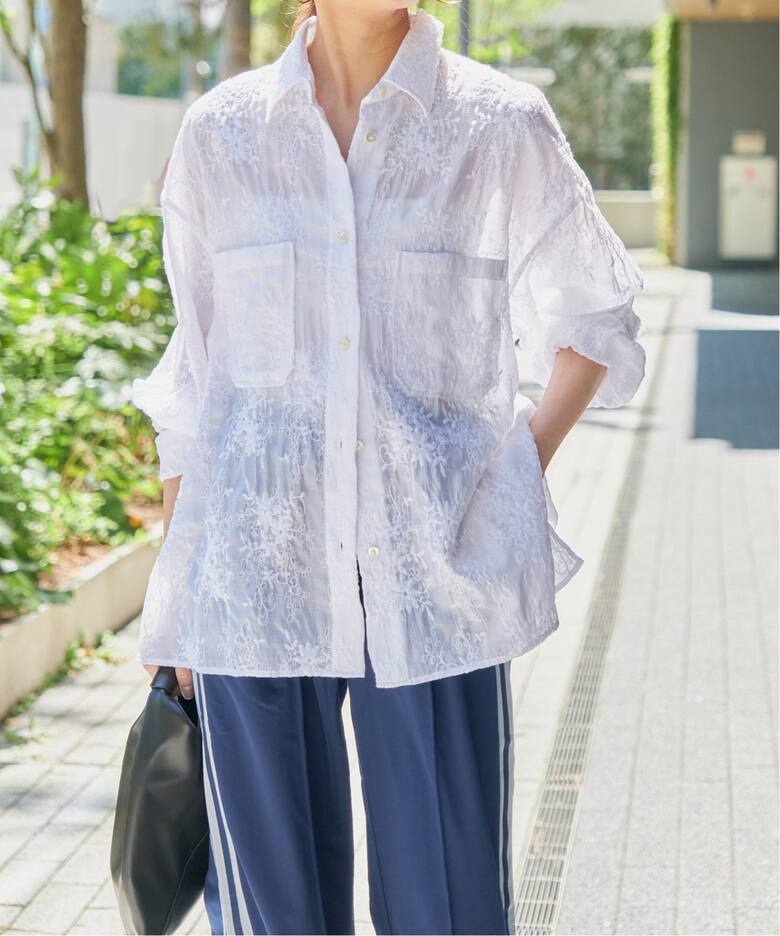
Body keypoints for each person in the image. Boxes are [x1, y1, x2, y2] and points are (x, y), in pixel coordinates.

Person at [130, 1, 646, 933]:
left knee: (448, 907)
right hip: (253, 585)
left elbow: (594, 313)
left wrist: (513, 474)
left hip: (432, 584)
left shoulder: (497, 122)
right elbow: (196, 383)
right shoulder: (223, 133)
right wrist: (178, 606)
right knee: (273, 918)